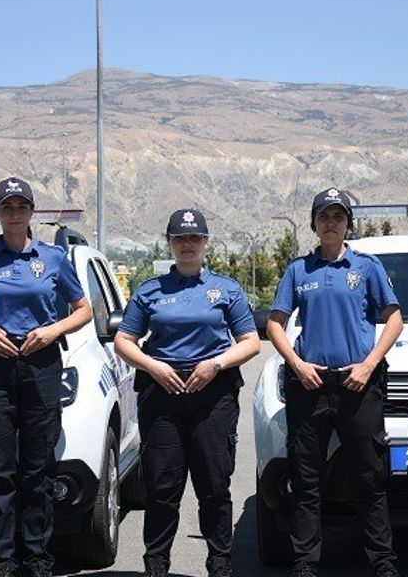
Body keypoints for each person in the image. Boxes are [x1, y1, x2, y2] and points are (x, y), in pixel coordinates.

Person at [0, 177, 94, 577]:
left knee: (39, 466)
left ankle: (38, 557)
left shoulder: (54, 258)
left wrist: (53, 330)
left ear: (32, 213)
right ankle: (4, 559)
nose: (14, 214)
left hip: (41, 363)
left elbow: (83, 310)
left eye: (21, 207)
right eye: (6, 208)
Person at [113, 208, 262, 577]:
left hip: (212, 396)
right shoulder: (150, 290)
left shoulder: (226, 289)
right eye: (180, 238)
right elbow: (123, 340)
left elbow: (251, 342)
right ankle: (156, 565)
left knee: (214, 485)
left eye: (194, 238)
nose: (187, 245)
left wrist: (216, 365)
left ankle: (220, 563)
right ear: (169, 243)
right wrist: (153, 366)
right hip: (162, 394)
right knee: (162, 489)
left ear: (206, 242)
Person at [265, 187, 403, 577]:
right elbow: (275, 323)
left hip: (357, 385)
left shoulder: (367, 267)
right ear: (314, 223)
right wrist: (296, 363)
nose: (331, 223)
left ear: (347, 224)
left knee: (370, 479)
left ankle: (382, 564)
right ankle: (306, 566)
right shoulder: (298, 270)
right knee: (306, 483)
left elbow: (394, 318)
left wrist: (369, 364)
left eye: (338, 217)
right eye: (324, 217)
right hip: (309, 386)